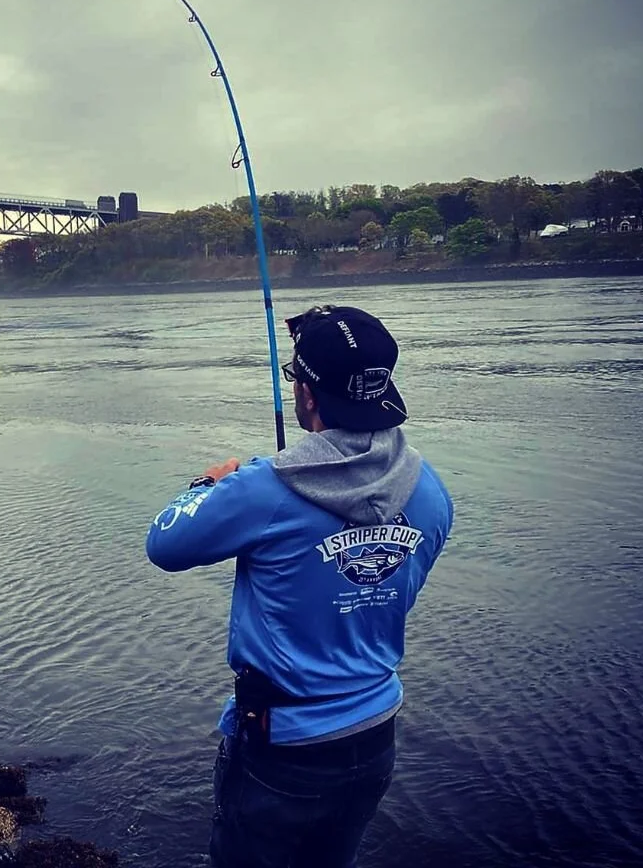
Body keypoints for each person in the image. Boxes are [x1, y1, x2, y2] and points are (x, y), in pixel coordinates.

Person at [146, 304, 454, 868]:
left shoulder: (262, 489)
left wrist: (207, 483)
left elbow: (164, 545)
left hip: (283, 744)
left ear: (308, 396)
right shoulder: (431, 490)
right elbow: (398, 586)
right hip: (377, 733)